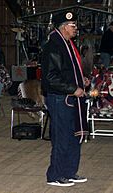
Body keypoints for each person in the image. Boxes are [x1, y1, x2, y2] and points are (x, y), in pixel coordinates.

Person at [41, 11, 89, 187]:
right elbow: (51, 77)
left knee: (73, 136)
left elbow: (68, 71)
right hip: (60, 99)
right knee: (62, 137)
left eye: (75, 25)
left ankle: (69, 172)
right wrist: (72, 88)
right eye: (72, 26)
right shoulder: (53, 46)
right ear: (63, 27)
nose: (76, 28)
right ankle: (55, 175)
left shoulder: (68, 45)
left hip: (71, 99)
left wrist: (80, 80)